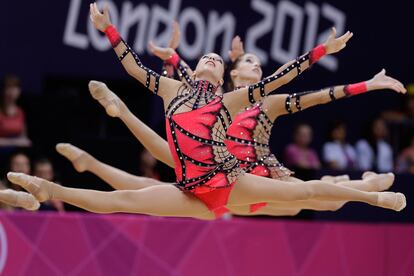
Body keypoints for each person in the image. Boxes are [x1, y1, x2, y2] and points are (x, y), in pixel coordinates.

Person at [2, 4, 406, 219]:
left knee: (307, 192)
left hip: (231, 180)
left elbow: (285, 80)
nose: (211, 59)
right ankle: (50, 189)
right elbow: (131, 65)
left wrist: (323, 52)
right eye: (207, 57)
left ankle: (370, 196)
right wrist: (109, 29)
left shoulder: (230, 101)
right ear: (195, 67)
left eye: (218, 59)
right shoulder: (172, 87)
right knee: (124, 197)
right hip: (193, 189)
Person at [0, 75, 31, 148]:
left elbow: (24, 139)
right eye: (8, 87)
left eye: (14, 87)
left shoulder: (20, 112)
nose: (11, 91)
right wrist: (14, 142)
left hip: (17, 151)